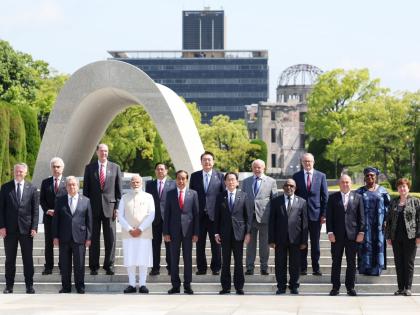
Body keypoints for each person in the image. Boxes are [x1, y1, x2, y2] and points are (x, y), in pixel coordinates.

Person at [83, 143, 122, 275]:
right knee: (93, 238)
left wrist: (116, 208)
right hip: (93, 209)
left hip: (110, 208)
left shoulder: (115, 168)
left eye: (106, 151)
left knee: (110, 238)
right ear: (97, 152)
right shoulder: (89, 168)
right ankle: (94, 266)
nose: (104, 153)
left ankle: (109, 265)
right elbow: (86, 192)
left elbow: (118, 192)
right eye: (101, 151)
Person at [0, 163, 39, 294]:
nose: (18, 173)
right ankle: (9, 286)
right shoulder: (5, 188)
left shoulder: (32, 188)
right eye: (16, 171)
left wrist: (34, 227)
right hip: (9, 231)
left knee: (28, 259)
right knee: (10, 259)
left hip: (26, 230)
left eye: (21, 171)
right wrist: (2, 227)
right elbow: (1, 209)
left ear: (26, 173)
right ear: (13, 172)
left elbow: (35, 211)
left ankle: (29, 286)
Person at [52, 176, 92, 294]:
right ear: (66, 187)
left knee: (79, 263)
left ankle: (80, 286)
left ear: (78, 186)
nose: (72, 187)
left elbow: (89, 221)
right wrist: (55, 236)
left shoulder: (86, 200)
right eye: (69, 185)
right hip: (64, 237)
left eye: (74, 184)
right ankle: (66, 287)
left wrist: (88, 237)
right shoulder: (60, 200)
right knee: (65, 264)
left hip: (80, 237)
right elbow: (55, 220)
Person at [214, 172, 252, 295]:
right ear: (225, 182)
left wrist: (248, 233)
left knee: (239, 261)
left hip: (239, 233)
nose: (230, 182)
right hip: (224, 234)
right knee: (225, 261)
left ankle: (239, 287)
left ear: (237, 182)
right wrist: (216, 233)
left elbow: (248, 216)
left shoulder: (244, 196)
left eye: (233, 180)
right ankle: (225, 287)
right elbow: (217, 216)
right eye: (228, 180)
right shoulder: (220, 196)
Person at [327, 174, 365, 296]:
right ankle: (335, 287)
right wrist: (330, 232)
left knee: (351, 263)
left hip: (352, 236)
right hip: (337, 236)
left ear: (351, 183)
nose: (345, 184)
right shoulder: (333, 198)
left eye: (347, 182)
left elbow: (361, 217)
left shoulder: (358, 197)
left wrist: (361, 232)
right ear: (339, 184)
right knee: (336, 262)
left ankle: (350, 287)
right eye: (343, 182)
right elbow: (329, 217)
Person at [269, 179, 308, 295]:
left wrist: (304, 241)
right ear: (283, 187)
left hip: (296, 239)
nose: (289, 188)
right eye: (286, 185)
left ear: (295, 188)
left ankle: (294, 286)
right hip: (279, 239)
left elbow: (304, 223)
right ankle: (281, 287)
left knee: (295, 264)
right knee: (280, 264)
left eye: (291, 186)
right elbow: (272, 222)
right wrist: (271, 239)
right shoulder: (276, 201)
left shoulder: (302, 202)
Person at [293, 153, 328, 276]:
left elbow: (325, 197)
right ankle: (303, 268)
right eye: (305, 161)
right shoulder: (296, 176)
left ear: (313, 162)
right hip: (300, 216)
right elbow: (294, 196)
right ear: (302, 162)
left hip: (316, 215)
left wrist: (324, 214)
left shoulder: (321, 176)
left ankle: (315, 267)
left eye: (310, 161)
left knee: (315, 243)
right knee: (302, 243)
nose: (307, 164)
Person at [164, 170, 199, 294]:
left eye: (183, 178)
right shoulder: (170, 194)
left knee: (188, 259)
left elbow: (196, 214)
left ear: (187, 180)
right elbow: (166, 214)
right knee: (174, 259)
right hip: (173, 232)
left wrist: (196, 233)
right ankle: (175, 285)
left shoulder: (193, 194)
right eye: (179, 178)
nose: (181, 181)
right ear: (176, 179)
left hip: (188, 232)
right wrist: (166, 233)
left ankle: (187, 285)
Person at [118, 175, 155, 294]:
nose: (135, 184)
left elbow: (151, 215)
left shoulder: (149, 197)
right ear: (130, 184)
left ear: (142, 183)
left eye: (137, 182)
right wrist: (129, 229)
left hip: (144, 233)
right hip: (129, 234)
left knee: (143, 259)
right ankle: (132, 284)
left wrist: (140, 229)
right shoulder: (124, 197)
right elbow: (120, 216)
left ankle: (143, 284)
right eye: (133, 182)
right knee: (130, 259)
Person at [189, 151, 224, 275]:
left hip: (214, 216)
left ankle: (216, 268)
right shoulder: (195, 176)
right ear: (201, 162)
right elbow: (191, 196)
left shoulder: (220, 176)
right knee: (200, 244)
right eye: (204, 160)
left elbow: (223, 196)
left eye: (209, 160)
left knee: (216, 244)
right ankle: (201, 268)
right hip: (199, 216)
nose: (207, 162)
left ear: (213, 162)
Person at [242, 159, 277, 275]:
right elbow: (242, 200)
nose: (257, 169)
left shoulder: (271, 181)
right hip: (250, 219)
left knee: (264, 245)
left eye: (259, 167)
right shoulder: (246, 182)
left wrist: (273, 220)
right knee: (250, 245)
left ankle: (264, 267)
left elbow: (274, 200)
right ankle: (250, 267)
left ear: (264, 168)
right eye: (255, 167)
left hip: (264, 218)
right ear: (252, 169)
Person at [385, 178, 420, 296]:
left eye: (404, 186)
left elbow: (419, 219)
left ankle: (408, 288)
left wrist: (419, 235)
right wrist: (388, 236)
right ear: (398, 189)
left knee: (408, 262)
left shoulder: (415, 201)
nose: (402, 189)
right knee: (398, 262)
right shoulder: (394, 202)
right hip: (396, 237)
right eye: (400, 187)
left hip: (410, 236)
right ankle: (400, 288)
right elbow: (388, 220)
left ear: (408, 188)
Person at [356, 167, 390, 276]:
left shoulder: (383, 191)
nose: (370, 177)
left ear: (376, 177)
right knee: (365, 246)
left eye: (372, 175)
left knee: (378, 245)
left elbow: (388, 208)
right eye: (367, 175)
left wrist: (386, 221)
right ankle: (365, 268)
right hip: (364, 226)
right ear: (364, 178)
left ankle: (377, 269)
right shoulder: (359, 192)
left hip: (379, 226)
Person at [146, 162, 176, 276]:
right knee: (155, 245)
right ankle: (155, 267)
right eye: (158, 169)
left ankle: (170, 267)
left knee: (170, 245)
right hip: (155, 219)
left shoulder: (173, 184)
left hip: (169, 219)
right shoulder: (150, 184)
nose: (160, 171)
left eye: (162, 169)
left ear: (166, 171)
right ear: (155, 171)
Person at [39, 157, 67, 275]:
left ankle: (62, 265)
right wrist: (47, 210)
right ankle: (48, 266)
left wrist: (61, 211)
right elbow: (42, 200)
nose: (56, 169)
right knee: (48, 243)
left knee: (63, 243)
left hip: (63, 219)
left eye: (58, 167)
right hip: (49, 218)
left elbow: (70, 199)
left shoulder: (67, 182)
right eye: (54, 167)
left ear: (62, 168)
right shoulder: (45, 182)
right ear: (51, 168)